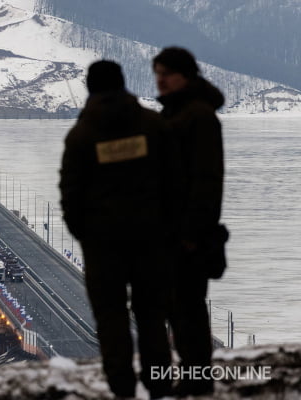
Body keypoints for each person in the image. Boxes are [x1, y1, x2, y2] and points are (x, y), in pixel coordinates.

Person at [59, 60, 173, 400]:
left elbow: (70, 193)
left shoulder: (82, 135)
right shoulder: (153, 125)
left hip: (102, 243)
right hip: (150, 239)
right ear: (124, 84)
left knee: (111, 318)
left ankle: (121, 387)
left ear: (91, 88)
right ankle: (159, 384)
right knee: (152, 315)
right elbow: (176, 180)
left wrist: (86, 234)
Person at [152, 47, 225, 397]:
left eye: (168, 72)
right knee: (177, 310)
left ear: (187, 75)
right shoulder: (176, 114)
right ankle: (192, 377)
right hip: (169, 233)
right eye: (157, 72)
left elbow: (207, 180)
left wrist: (193, 232)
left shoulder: (198, 116)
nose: (161, 79)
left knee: (188, 311)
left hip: (186, 236)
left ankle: (198, 381)